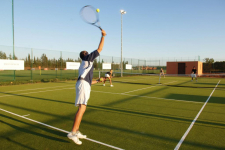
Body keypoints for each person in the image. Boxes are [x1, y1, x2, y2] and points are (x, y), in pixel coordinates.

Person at [67, 29, 106, 145]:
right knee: (82, 109)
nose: (88, 53)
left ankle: (76, 131)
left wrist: (98, 81)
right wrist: (103, 36)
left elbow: (88, 81)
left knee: (82, 109)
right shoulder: (87, 59)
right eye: (86, 52)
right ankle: (72, 133)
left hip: (84, 84)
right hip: (83, 85)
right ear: (84, 55)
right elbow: (100, 49)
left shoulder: (85, 64)